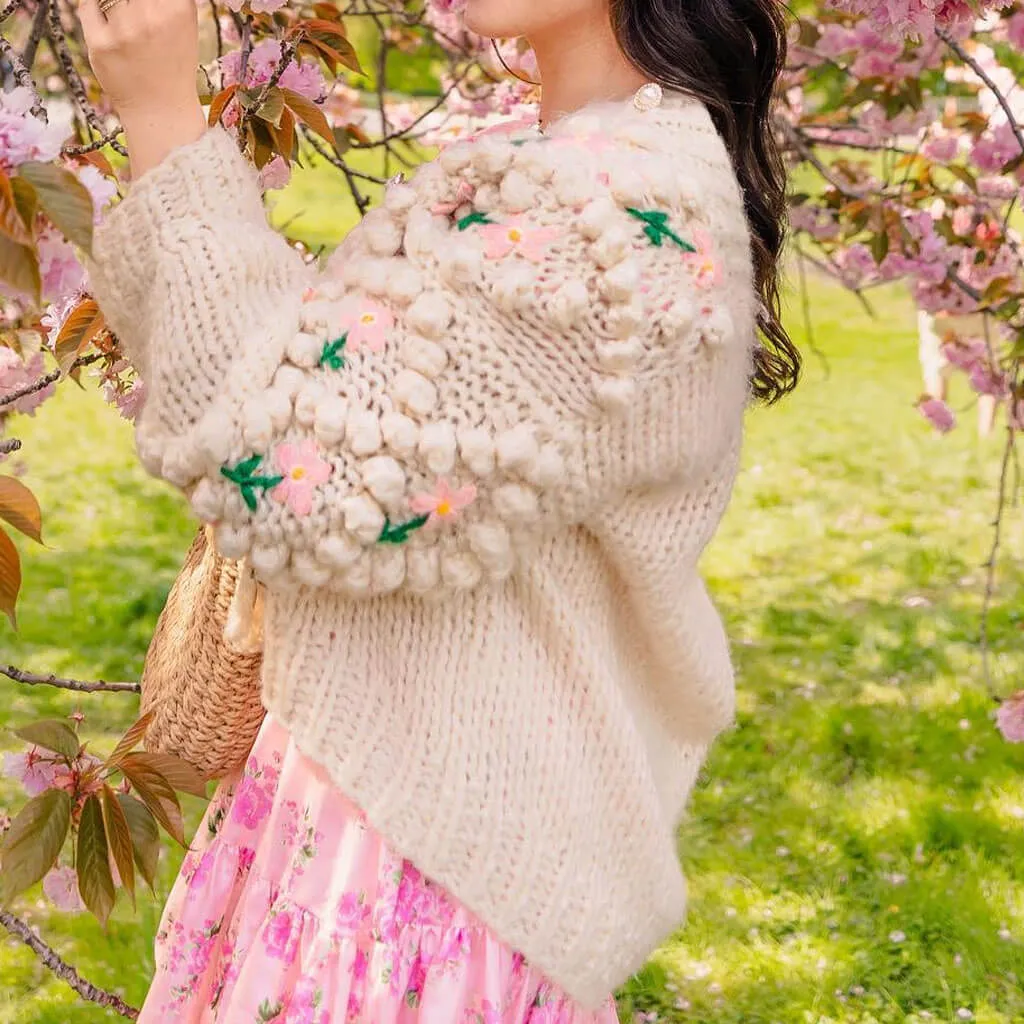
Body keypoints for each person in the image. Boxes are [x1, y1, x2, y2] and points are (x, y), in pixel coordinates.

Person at [79, 0, 799, 1019]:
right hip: (381, 800)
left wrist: (160, 121)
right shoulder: (567, 167)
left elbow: (279, 464)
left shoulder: (612, 216)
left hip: (428, 855)